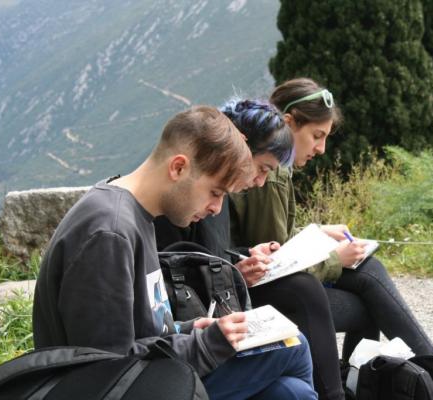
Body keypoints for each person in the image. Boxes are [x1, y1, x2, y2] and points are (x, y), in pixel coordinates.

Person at [228, 78, 433, 400]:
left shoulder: (274, 170)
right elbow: (275, 261)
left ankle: (407, 377)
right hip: (268, 295)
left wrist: (320, 232)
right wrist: (334, 259)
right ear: (289, 123)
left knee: (369, 271)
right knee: (370, 295)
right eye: (317, 136)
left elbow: (275, 238)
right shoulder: (270, 175)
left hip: (274, 287)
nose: (321, 149)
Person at [33, 106, 318, 400]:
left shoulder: (137, 217)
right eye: (216, 192)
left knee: (289, 392)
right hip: (129, 388)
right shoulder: (109, 232)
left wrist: (189, 329)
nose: (216, 209)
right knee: (294, 346)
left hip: (153, 376)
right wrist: (204, 345)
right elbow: (108, 371)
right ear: (178, 168)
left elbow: (142, 332)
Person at [154, 99, 347, 400]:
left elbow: (208, 258)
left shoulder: (207, 203)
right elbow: (174, 280)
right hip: (187, 352)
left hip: (203, 330)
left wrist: (240, 261)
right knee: (296, 341)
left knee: (293, 391)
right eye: (262, 169)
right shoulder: (172, 209)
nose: (259, 182)